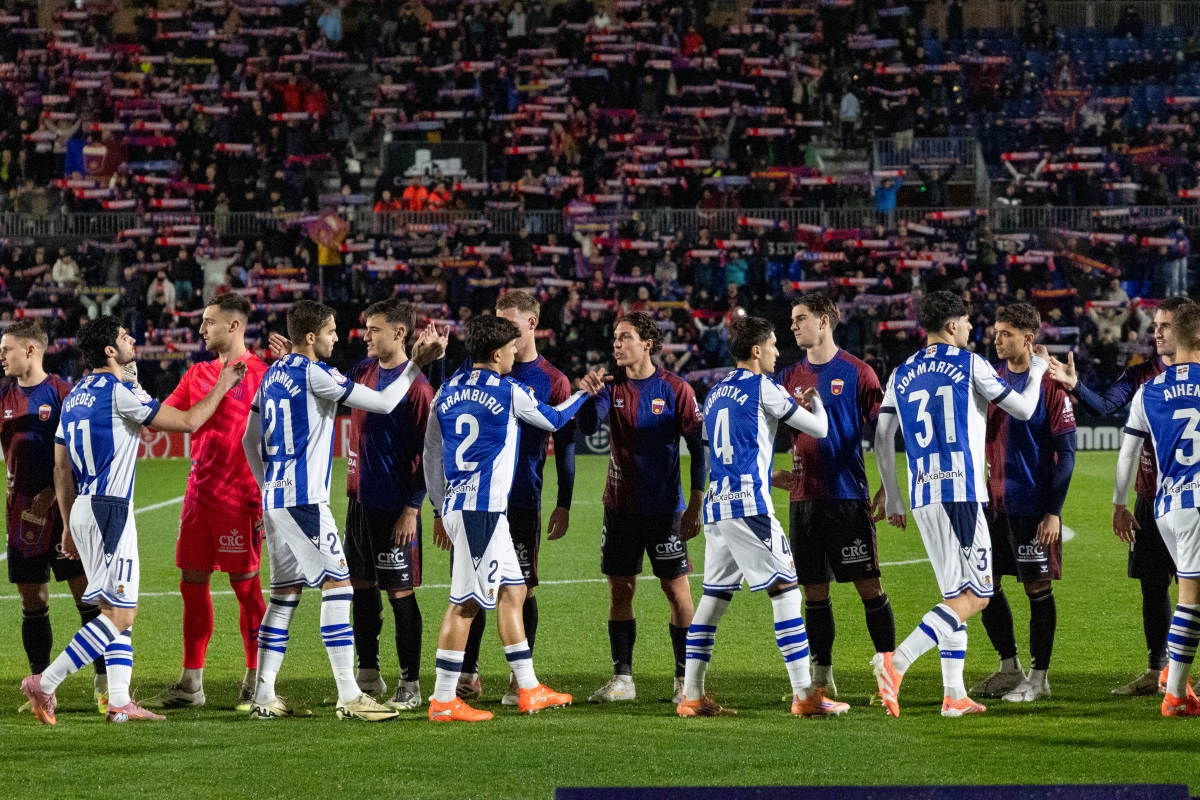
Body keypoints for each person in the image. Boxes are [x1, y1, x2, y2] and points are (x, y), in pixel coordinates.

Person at [21, 316, 248, 725]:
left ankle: (120, 701)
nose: (132, 339)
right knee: (121, 615)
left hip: (85, 510)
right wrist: (224, 385)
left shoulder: (73, 398)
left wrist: (70, 525)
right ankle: (47, 682)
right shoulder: (117, 392)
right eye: (125, 337)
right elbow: (189, 422)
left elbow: (60, 470)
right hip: (111, 510)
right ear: (110, 351)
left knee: (113, 608)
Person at [241, 300, 445, 722]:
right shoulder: (316, 373)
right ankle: (350, 694)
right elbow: (386, 403)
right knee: (339, 586)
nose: (341, 338)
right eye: (333, 331)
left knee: (284, 596)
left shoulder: (273, 372)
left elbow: (249, 440)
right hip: (304, 501)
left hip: (276, 499)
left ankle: (264, 693)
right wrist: (417, 365)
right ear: (312, 337)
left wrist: (268, 489)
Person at [873, 291, 1050, 718]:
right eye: (968, 322)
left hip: (922, 496)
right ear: (952, 325)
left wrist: (892, 493)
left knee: (955, 594)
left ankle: (953, 695)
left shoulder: (902, 371)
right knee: (980, 595)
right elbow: (1024, 409)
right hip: (961, 494)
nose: (973, 330)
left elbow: (881, 435)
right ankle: (896, 663)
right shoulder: (969, 364)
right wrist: (1041, 368)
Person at [422, 315, 605, 722]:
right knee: (466, 605)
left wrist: (440, 505)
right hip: (481, 511)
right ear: (496, 352)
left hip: (469, 507)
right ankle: (443, 699)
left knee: (515, 589)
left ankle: (528, 688)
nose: (514, 353)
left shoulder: (446, 390)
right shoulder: (508, 391)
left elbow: (430, 455)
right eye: (510, 348)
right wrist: (582, 393)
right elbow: (555, 420)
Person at [678, 315, 849, 718]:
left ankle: (691, 695)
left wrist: (765, 472)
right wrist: (816, 401)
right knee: (787, 591)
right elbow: (820, 430)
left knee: (713, 600)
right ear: (756, 350)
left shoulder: (716, 392)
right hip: (749, 508)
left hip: (718, 507)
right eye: (772, 345)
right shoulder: (763, 387)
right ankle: (805, 694)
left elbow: (714, 453)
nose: (777, 352)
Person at [1046, 296, 1197, 695]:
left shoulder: (1157, 382)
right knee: (1153, 584)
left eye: (1165, 326)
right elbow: (1105, 406)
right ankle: (1158, 670)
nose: (1157, 332)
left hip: (1177, 497)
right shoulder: (1140, 375)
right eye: (1157, 325)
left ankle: (1178, 679)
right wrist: (1075, 385)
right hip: (1152, 497)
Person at [144, 294, 269, 711]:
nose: (201, 330)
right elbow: (165, 417)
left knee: (246, 589)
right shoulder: (197, 374)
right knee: (192, 587)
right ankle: (191, 683)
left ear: (233, 326)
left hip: (242, 500)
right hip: (198, 497)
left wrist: (268, 501)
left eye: (209, 322)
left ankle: (256, 678)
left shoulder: (265, 375)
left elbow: (281, 440)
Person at [577, 310, 706, 704]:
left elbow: (699, 448)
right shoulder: (610, 387)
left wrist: (696, 502)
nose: (617, 343)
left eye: (625, 337)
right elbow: (586, 427)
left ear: (646, 343)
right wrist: (589, 396)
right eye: (615, 337)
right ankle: (623, 679)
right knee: (621, 589)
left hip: (666, 508)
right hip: (619, 508)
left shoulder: (674, 389)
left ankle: (685, 681)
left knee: (677, 591)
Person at [457, 291, 578, 705]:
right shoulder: (478, 371)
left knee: (521, 587)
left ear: (531, 324)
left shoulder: (552, 379)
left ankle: (518, 681)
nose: (502, 331)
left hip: (523, 498)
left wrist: (564, 500)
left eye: (509, 323)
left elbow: (564, 445)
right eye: (497, 322)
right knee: (475, 589)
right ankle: (467, 675)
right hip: (479, 500)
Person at [773, 293, 895, 698]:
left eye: (801, 318)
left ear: (824, 321)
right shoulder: (789, 376)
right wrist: (768, 473)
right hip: (804, 499)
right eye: (792, 319)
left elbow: (884, 432)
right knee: (814, 592)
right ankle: (822, 676)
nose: (793, 325)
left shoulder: (859, 373)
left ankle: (888, 671)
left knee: (869, 587)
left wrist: (886, 485)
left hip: (847, 498)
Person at [2, 320, 108, 715]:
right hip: (21, 518)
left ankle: (103, 682)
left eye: (7, 349)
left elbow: (81, 457)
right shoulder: (4, 398)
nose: (1, 356)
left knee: (88, 598)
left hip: (66, 513)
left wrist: (54, 495)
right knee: (34, 601)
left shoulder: (64, 394)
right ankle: (42, 685)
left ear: (31, 350)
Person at [971, 303, 1076, 703]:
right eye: (996, 332)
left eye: (1006, 333)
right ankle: (1008, 667)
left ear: (1028, 339)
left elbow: (1067, 453)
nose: (996, 339)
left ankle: (1039, 677)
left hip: (1033, 506)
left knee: (1037, 589)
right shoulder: (990, 380)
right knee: (985, 585)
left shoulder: (1049, 386)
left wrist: (1053, 510)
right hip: (992, 505)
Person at [343, 299, 434, 712]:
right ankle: (368, 671)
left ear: (399, 333)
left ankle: (410, 681)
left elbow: (430, 455)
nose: (366, 336)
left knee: (399, 594)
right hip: (358, 503)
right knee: (361, 589)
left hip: (394, 509)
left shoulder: (417, 388)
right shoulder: (362, 372)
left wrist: (412, 509)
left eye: (374, 329)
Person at [1113, 302, 1200, 716]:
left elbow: (1127, 456)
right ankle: (1175, 692)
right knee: (1189, 600)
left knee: (1187, 594)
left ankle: (1172, 677)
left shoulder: (1148, 390)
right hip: (1199, 502)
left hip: (1166, 506)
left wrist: (1118, 503)